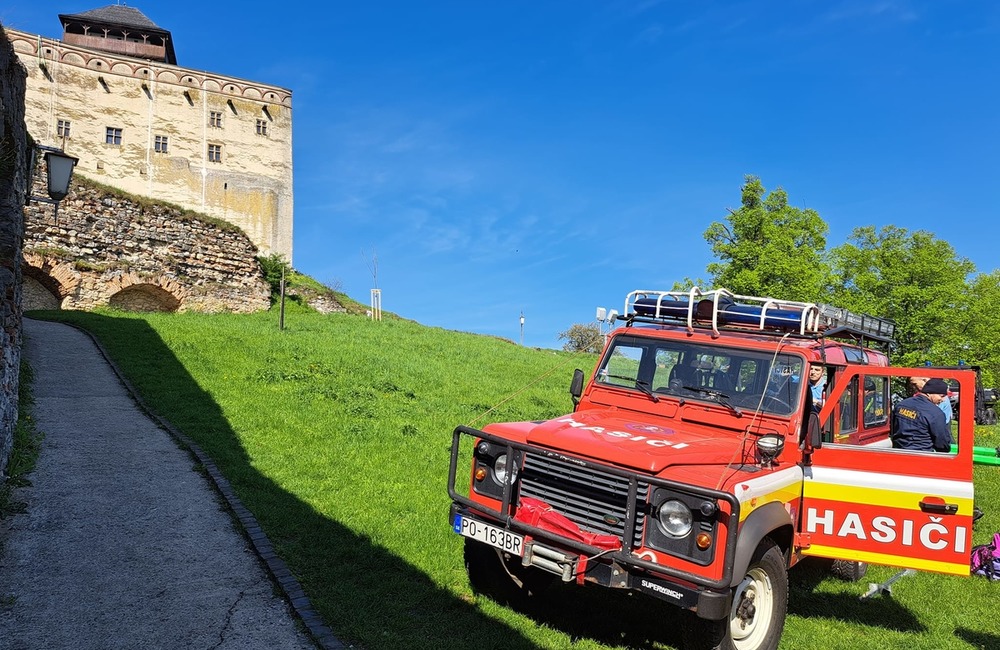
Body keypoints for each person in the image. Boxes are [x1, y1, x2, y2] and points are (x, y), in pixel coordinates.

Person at [892, 378, 953, 451]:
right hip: (923, 454)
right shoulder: (936, 413)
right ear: (929, 393)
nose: (943, 400)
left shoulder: (901, 405)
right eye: (942, 396)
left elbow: (893, 428)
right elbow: (942, 443)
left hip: (898, 451)